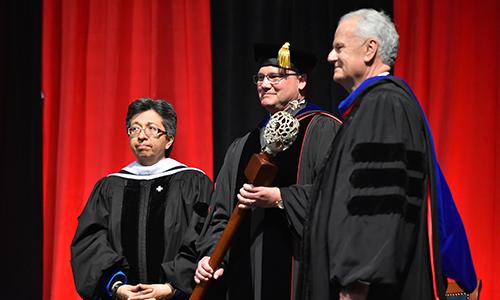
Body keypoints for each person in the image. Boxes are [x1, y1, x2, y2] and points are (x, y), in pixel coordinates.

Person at [300, 9, 477, 300]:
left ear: (370, 49)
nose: (331, 57)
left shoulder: (383, 105)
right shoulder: (376, 105)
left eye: (339, 47)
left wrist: (356, 281)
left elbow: (378, 204)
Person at [192, 42, 342, 300]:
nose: (264, 84)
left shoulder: (323, 130)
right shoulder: (243, 145)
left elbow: (336, 198)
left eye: (275, 76)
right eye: (260, 78)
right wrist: (211, 254)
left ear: (302, 81)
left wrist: (281, 198)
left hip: (300, 271)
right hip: (245, 274)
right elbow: (221, 214)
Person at [71, 98, 213, 300]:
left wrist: (171, 287)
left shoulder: (193, 183)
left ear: (169, 139)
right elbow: (90, 242)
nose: (141, 136)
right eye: (134, 129)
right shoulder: (110, 187)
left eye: (151, 129)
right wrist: (117, 286)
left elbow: (203, 238)